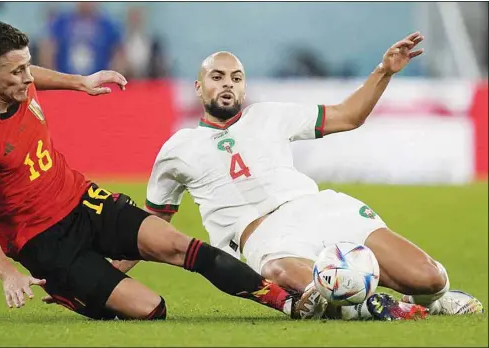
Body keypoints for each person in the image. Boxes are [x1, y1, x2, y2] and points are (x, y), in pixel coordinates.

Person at [0, 21, 322, 321]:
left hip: (81, 199)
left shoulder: (19, 82)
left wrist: (80, 82)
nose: (28, 79)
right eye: (17, 72)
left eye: (28, 66)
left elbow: (32, 74)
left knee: (177, 244)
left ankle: (287, 303)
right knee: (150, 308)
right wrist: (6, 273)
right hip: (43, 240)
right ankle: (70, 292)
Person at [141, 32, 484, 320]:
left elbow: (348, 117)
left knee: (431, 278)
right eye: (217, 77)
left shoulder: (270, 115)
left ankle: (425, 301)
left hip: (320, 209)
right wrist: (107, 268)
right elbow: (151, 225)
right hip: (267, 238)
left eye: (236, 77)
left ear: (244, 88)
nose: (227, 84)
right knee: (288, 276)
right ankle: (370, 307)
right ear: (199, 88)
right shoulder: (178, 149)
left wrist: (384, 71)